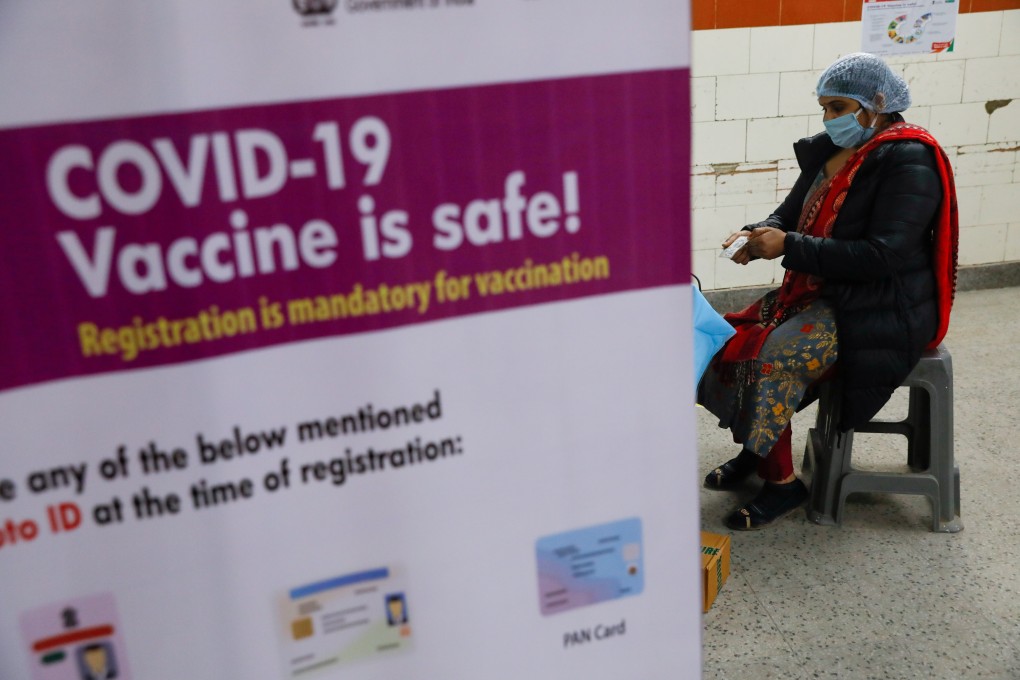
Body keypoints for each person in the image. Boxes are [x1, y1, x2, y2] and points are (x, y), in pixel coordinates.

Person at [697, 52, 959, 530]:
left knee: (769, 359)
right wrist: (761, 234)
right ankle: (757, 451)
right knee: (726, 341)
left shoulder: (910, 159)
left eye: (838, 108)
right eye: (824, 108)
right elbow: (791, 212)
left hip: (876, 304)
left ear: (877, 103)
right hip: (822, 289)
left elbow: (883, 257)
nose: (828, 119)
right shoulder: (832, 152)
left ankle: (782, 485)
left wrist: (790, 246)